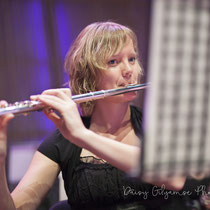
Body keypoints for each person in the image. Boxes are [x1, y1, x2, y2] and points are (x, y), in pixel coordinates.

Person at [0, 21, 209, 210]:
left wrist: (82, 135)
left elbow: (174, 178)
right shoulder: (64, 140)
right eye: (113, 61)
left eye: (132, 58)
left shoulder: (157, 128)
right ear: (90, 74)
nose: (129, 70)